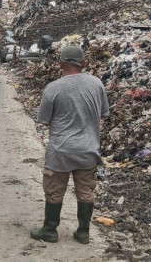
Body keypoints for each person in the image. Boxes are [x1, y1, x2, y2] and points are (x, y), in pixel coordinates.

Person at [30, 45, 109, 244]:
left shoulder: (53, 88)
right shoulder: (96, 84)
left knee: (54, 191)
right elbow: (103, 113)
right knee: (85, 192)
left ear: (60, 64)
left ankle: (50, 230)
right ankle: (83, 232)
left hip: (60, 151)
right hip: (88, 150)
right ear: (84, 63)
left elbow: (44, 119)